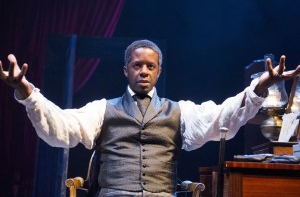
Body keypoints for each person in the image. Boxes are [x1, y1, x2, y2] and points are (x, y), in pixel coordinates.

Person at [0, 39, 300, 197]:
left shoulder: (180, 111)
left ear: (159, 71)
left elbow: (225, 114)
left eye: (150, 66)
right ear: (126, 70)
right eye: (136, 65)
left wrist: (261, 85)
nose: (143, 71)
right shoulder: (101, 109)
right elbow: (60, 127)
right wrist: (26, 90)